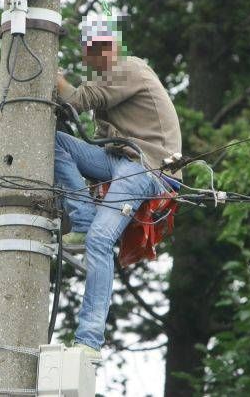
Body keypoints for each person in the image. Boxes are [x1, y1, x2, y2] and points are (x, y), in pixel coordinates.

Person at [55, 18, 182, 361]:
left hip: (146, 166)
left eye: (97, 50)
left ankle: (89, 340)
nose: (94, 60)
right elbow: (96, 132)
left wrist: (51, 75)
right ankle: (82, 221)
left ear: (106, 47)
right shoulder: (112, 76)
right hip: (119, 158)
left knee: (101, 241)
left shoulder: (131, 69)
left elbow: (77, 101)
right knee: (54, 142)